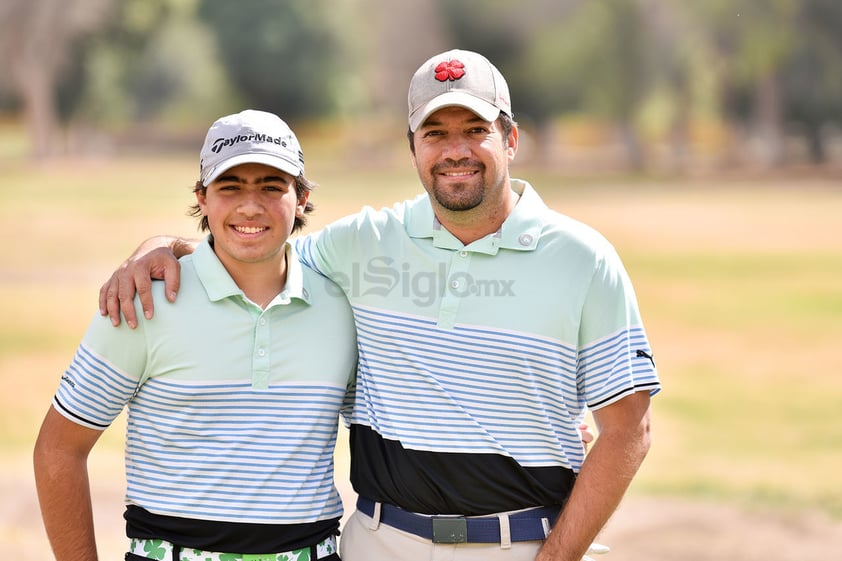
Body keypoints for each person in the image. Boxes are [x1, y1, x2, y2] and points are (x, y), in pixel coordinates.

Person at [99, 50, 661, 561]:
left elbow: (629, 427)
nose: (455, 150)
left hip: (525, 544)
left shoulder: (584, 259)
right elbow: (252, 245)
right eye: (434, 132)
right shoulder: (361, 243)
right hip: (378, 543)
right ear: (412, 146)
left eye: (475, 129)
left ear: (510, 139)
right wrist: (160, 247)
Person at [33, 109, 358, 561]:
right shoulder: (143, 301)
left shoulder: (342, 307)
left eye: (271, 186)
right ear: (202, 198)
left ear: (301, 197)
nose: (250, 205)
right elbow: (59, 450)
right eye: (230, 187)